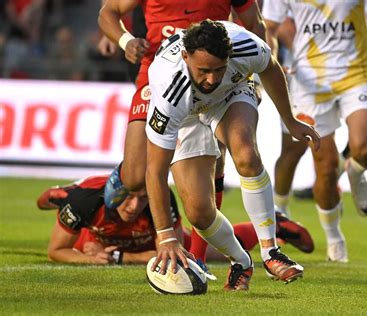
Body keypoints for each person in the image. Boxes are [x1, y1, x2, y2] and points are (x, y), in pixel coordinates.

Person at [145, 20, 319, 291]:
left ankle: (271, 252)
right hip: (188, 114)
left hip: (231, 94)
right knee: (199, 213)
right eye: (204, 70)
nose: (212, 79)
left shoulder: (246, 46)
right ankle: (241, 261)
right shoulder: (169, 91)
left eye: (219, 69)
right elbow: (155, 171)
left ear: (229, 56)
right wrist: (166, 237)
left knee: (246, 153)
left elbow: (271, 69)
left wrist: (290, 119)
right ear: (185, 56)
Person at [98, 0, 266, 264]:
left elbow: (255, 25)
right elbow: (108, 12)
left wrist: (253, 78)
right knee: (136, 176)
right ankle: (122, 177)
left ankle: (199, 257)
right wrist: (125, 41)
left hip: (214, 77)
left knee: (215, 167)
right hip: (160, 76)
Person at [263, 0, 367, 262]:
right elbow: (271, 27)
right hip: (309, 81)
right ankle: (333, 237)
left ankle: (355, 171)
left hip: (356, 74)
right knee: (324, 164)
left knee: (366, 146)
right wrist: (275, 62)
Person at [36, 175, 314, 264]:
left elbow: (171, 253)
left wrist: (119, 257)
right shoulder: (84, 202)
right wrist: (90, 257)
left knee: (211, 252)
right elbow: (55, 250)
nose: (134, 206)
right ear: (113, 194)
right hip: (98, 236)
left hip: (137, 240)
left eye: (142, 199)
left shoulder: (159, 200)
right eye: (129, 198)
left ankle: (273, 225)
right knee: (54, 202)